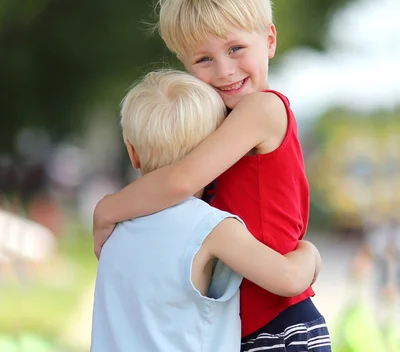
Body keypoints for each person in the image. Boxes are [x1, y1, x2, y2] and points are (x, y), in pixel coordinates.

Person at [93, 0, 331, 351]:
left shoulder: (263, 109)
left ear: (270, 40)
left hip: (278, 322)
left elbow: (182, 180)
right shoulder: (222, 122)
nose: (223, 70)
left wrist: (108, 209)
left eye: (236, 48)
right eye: (203, 59)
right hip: (241, 325)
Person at [91, 69, 321, 352]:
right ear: (214, 155)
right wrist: (309, 253)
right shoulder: (210, 227)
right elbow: (289, 279)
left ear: (132, 152)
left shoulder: (113, 232)